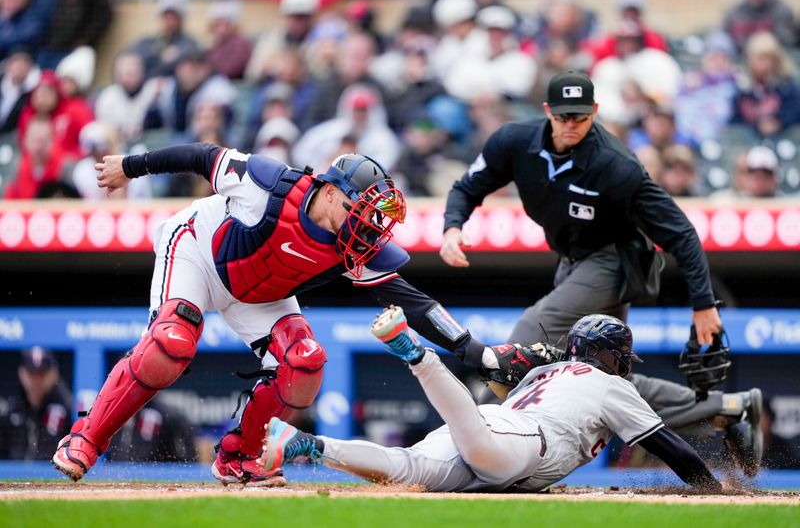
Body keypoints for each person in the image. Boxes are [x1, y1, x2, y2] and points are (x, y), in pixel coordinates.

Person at [52, 144, 512, 487]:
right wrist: (130, 167)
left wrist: (474, 350)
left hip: (261, 295)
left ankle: (239, 458)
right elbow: (201, 155)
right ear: (331, 194)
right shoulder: (266, 181)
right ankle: (86, 438)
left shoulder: (355, 242)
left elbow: (415, 302)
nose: (366, 226)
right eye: (359, 211)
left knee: (306, 362)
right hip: (198, 251)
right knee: (172, 342)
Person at [439, 70, 763, 477]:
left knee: (528, 335)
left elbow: (680, 232)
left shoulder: (615, 164)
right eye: (562, 117)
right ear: (547, 112)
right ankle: (729, 409)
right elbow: (467, 186)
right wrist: (453, 226)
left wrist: (704, 304)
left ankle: (490, 445)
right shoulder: (515, 141)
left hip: (616, 261)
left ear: (594, 112)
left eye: (579, 116)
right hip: (572, 261)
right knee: (601, 382)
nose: (570, 125)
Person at [260, 307, 723, 494]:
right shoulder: (610, 384)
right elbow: (671, 448)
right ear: (608, 356)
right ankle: (414, 353)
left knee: (407, 472)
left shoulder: (546, 370)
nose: (626, 365)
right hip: (517, 443)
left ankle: (308, 444)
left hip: (495, 422)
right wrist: (714, 490)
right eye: (621, 357)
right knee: (477, 450)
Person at [0, 347, 72, 460]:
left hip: (54, 474)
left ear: (54, 373)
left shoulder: (68, 408)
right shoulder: (9, 410)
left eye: (42, 373)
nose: (37, 379)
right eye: (31, 372)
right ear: (21, 373)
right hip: (13, 475)